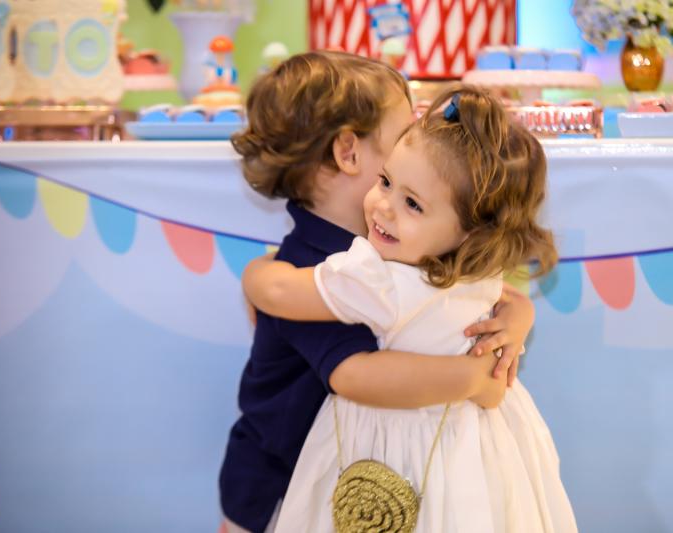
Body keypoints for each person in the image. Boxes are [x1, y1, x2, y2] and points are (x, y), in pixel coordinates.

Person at [244, 85, 578, 533]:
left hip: (391, 446)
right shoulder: (477, 270)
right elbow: (508, 304)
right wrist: (513, 329)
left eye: (413, 204)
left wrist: (254, 273)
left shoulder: (375, 279)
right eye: (385, 182)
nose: (384, 207)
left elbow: (280, 293)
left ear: (470, 232)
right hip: (479, 446)